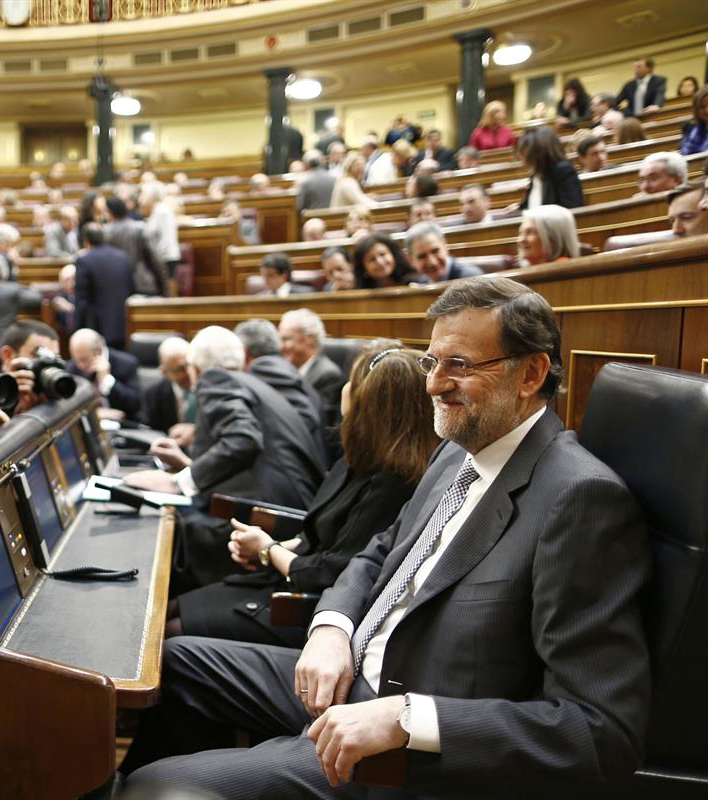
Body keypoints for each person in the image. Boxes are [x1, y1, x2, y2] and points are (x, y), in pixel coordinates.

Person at [121, 277, 650, 800]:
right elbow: (381, 551)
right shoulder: (457, 451)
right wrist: (332, 627)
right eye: (432, 362)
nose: (433, 384)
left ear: (532, 372)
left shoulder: (580, 499)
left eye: (459, 366)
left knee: (160, 787)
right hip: (350, 677)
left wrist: (409, 718)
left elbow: (598, 731)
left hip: (406, 751)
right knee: (177, 661)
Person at [166, 345, 437, 647]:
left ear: (371, 402)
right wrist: (272, 547)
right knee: (170, 606)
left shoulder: (393, 484)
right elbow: (321, 536)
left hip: (308, 609)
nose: (346, 388)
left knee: (172, 633)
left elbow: (331, 571)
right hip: (287, 579)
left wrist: (268, 549)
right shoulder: (357, 459)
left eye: (355, 381)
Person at [125, 326, 325, 587]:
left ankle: (158, 610)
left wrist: (179, 482)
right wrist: (189, 467)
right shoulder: (251, 381)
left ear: (194, 367)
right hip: (296, 514)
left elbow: (244, 439)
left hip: (270, 520)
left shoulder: (215, 380)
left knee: (163, 528)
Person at [234, 319, 329, 469]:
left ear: (244, 352)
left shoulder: (265, 369)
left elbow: (306, 419)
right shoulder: (280, 367)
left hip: (295, 472)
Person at [74, 222, 134, 350]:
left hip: (98, 327)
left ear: (85, 240)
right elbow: (131, 288)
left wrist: (76, 328)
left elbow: (81, 300)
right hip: (124, 323)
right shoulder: (123, 257)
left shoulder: (84, 260)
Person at [279, 308, 345, 422]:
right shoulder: (284, 369)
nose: (281, 346)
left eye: (286, 339)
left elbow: (319, 421)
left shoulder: (328, 374)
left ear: (310, 338)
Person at [67, 328, 142, 420]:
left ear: (98, 351)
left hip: (123, 426)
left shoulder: (126, 364)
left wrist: (107, 379)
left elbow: (134, 404)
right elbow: (69, 405)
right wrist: (94, 413)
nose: (79, 365)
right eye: (75, 359)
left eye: (84, 360)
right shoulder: (71, 367)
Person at [105, 195, 166, 296]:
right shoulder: (140, 228)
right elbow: (155, 259)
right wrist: (164, 287)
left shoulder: (105, 232)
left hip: (116, 287)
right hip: (142, 284)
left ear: (110, 213)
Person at [0, 319, 61, 413]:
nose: (48, 365)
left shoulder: (58, 389)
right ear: (8, 355)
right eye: (39, 355)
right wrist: (7, 395)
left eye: (54, 359)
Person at [142, 336, 196, 442]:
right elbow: (149, 433)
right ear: (164, 372)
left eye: (188, 365)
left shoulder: (208, 388)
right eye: (179, 369)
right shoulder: (153, 395)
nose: (188, 373)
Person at [517, 127, 584, 210]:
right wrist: (518, 208)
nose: (521, 156)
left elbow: (573, 210)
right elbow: (532, 204)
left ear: (537, 151)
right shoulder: (537, 173)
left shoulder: (564, 171)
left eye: (524, 150)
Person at [404, 223, 483, 283]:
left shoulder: (471, 278)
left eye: (435, 251)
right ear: (411, 260)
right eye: (422, 256)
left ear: (445, 246)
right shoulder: (419, 284)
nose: (432, 262)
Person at [141, 182, 181, 288]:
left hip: (166, 258)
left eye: (143, 194)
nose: (140, 198)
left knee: (168, 288)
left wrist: (156, 257)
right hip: (159, 258)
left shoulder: (163, 211)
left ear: (152, 196)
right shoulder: (154, 211)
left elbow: (167, 238)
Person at [352, 233, 421, 289]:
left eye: (382, 254)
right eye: (372, 259)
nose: (379, 262)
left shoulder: (417, 282)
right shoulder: (362, 292)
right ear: (363, 267)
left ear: (393, 255)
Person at [679, 86, 708, 156]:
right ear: (697, 110)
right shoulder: (690, 128)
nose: (707, 110)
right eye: (702, 107)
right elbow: (685, 153)